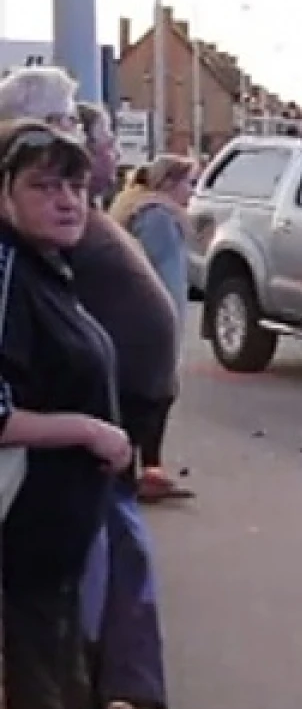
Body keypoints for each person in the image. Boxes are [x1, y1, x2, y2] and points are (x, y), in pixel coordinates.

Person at [0, 119, 133, 709]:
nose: (66, 200)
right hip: (20, 553)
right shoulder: (9, 270)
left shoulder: (45, 266)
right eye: (43, 185)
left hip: (55, 550)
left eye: (76, 186)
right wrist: (90, 431)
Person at [60, 99, 196, 709]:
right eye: (101, 141)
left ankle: (115, 705)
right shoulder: (44, 237)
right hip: (88, 426)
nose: (111, 154)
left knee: (117, 560)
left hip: (110, 415)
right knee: (115, 563)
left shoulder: (86, 219)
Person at [108, 152, 196, 501]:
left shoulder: (135, 207)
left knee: (153, 393)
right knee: (156, 393)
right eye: (189, 182)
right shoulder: (158, 216)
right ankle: (142, 472)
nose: (193, 190)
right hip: (153, 321)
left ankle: (146, 469)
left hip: (141, 319)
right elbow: (162, 276)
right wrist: (168, 320)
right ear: (170, 183)